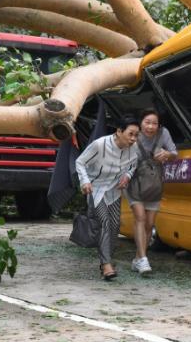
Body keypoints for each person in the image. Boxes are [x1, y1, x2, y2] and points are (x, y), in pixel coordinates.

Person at [75, 115, 140, 280]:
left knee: (115, 225)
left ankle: (106, 260)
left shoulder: (134, 148)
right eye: (130, 134)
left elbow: (133, 164)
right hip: (95, 188)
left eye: (136, 135)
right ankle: (106, 265)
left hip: (114, 189)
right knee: (104, 222)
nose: (133, 139)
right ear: (119, 131)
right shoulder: (100, 145)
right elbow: (80, 162)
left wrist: (127, 176)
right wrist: (85, 181)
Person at [126, 108, 178, 275]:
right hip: (133, 182)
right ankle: (143, 260)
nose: (150, 126)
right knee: (140, 218)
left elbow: (175, 153)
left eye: (154, 123)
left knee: (149, 224)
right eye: (147, 122)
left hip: (154, 183)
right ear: (141, 124)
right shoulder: (134, 134)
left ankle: (138, 259)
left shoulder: (163, 134)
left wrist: (167, 154)